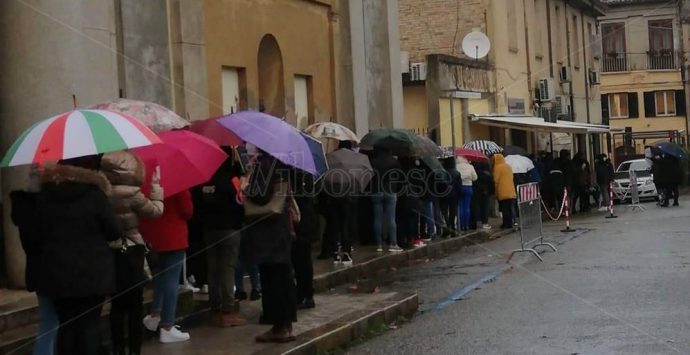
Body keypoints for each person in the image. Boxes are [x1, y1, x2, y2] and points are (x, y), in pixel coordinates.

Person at [33, 156, 121, 355]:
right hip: (93, 273)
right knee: (89, 326)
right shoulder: (94, 194)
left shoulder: (45, 195)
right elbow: (113, 231)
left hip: (57, 272)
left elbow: (37, 233)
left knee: (66, 325)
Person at [101, 151, 164, 355]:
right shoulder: (133, 193)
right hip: (133, 249)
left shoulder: (101, 191)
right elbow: (155, 212)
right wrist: (156, 190)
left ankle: (118, 348)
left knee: (116, 305)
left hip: (110, 250)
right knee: (135, 306)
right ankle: (135, 349)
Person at [241, 152, 297, 342]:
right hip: (279, 232)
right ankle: (285, 325)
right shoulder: (282, 164)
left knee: (273, 278)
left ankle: (279, 326)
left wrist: (246, 186)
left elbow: (260, 196)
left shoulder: (265, 164)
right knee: (283, 276)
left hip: (268, 234)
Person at [10, 166, 58, 355]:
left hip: (42, 271)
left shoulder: (26, 205)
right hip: (48, 270)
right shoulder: (33, 206)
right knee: (51, 320)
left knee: (51, 320)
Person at [196, 151, 247, 327]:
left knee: (213, 269)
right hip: (229, 229)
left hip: (209, 229)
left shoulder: (205, 179)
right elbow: (240, 202)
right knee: (227, 269)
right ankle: (228, 311)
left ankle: (214, 308)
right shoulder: (232, 179)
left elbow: (198, 205)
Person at [140, 190, 194, 343]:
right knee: (172, 281)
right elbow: (187, 210)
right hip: (174, 235)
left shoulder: (147, 183)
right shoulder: (178, 184)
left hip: (154, 236)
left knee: (160, 277)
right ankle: (167, 327)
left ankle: (155, 315)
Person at [323, 141, 358, 264]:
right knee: (345, 226)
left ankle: (335, 252)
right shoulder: (354, 160)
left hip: (333, 197)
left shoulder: (331, 158)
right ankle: (346, 251)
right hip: (347, 198)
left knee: (334, 226)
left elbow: (325, 177)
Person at [292, 172, 318, 309]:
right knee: (304, 261)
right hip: (306, 222)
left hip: (300, 223)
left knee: (301, 262)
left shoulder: (297, 175)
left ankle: (303, 294)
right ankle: (307, 294)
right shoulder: (307, 173)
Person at [369, 147, 403, 252]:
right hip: (390, 191)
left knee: (377, 219)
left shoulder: (372, 162)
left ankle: (379, 244)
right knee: (391, 219)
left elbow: (369, 176)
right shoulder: (394, 162)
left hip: (376, 191)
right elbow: (401, 177)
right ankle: (393, 243)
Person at [493, 154, 517, 229]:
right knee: (510, 208)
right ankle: (510, 223)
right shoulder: (508, 167)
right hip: (511, 191)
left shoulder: (497, 168)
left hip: (502, 191)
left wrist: (495, 193)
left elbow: (495, 181)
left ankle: (506, 224)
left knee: (504, 209)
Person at [439, 157, 460, 235]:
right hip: (454, 195)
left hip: (443, 195)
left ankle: (447, 226)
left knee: (444, 211)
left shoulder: (441, 172)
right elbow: (459, 186)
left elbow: (439, 185)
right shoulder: (457, 173)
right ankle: (453, 228)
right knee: (453, 212)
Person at [456, 156, 477, 231]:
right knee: (467, 207)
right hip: (468, 187)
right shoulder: (470, 167)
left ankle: (461, 225)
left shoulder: (456, 166)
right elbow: (475, 177)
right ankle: (466, 225)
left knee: (460, 207)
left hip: (459, 187)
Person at [472, 161, 494, 230]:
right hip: (485, 191)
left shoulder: (474, 169)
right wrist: (491, 191)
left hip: (475, 191)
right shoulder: (487, 172)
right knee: (485, 207)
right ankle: (484, 223)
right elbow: (491, 182)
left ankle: (473, 224)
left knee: (475, 207)